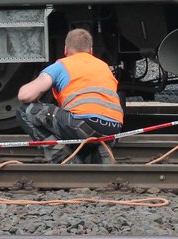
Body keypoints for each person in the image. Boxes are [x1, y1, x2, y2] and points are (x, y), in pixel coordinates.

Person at [15, 28, 123, 164]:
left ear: (66, 49)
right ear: (90, 51)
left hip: (82, 127)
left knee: (25, 111)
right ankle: (96, 154)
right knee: (74, 126)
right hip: (113, 131)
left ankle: (65, 160)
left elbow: (25, 96)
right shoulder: (104, 67)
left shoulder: (62, 65)